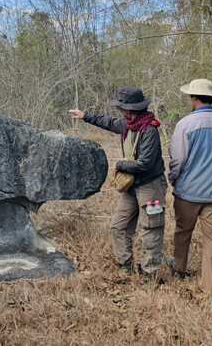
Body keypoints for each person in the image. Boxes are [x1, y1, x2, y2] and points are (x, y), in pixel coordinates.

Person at [69, 87, 167, 280]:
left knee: (151, 229)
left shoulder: (150, 130)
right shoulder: (127, 125)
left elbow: (145, 164)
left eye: (122, 107)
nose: (119, 110)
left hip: (150, 186)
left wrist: (120, 164)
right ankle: (125, 265)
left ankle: (149, 275)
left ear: (133, 108)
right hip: (130, 185)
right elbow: (107, 122)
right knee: (118, 226)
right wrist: (85, 116)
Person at [166, 79, 212, 293]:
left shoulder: (185, 125)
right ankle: (208, 285)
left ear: (194, 98)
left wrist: (173, 179)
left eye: (189, 96)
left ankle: (179, 268)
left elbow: (177, 159)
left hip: (189, 192)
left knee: (183, 230)